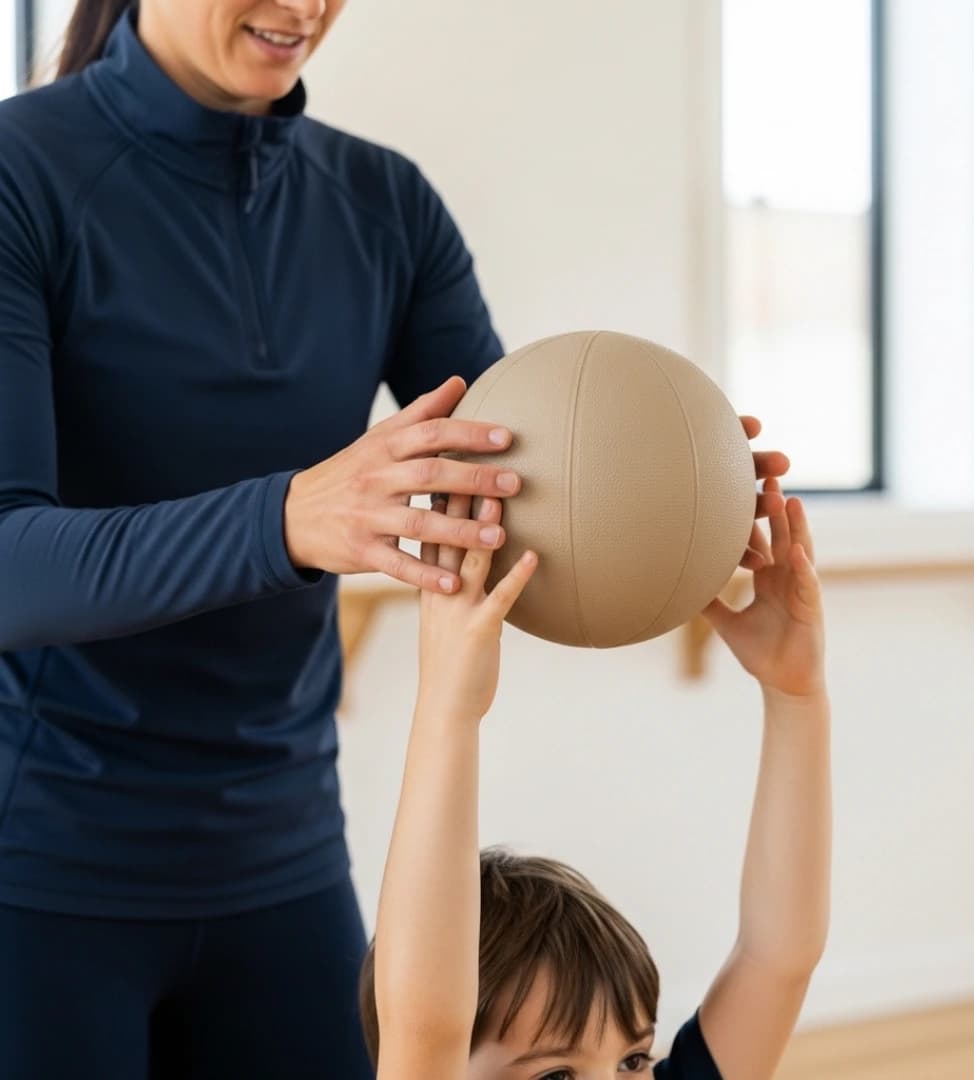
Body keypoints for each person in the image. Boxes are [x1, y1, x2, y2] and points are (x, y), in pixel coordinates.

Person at [0, 1, 790, 1076]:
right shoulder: (21, 172)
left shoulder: (383, 204)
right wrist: (288, 518)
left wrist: (673, 494)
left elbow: (511, 485)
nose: (304, 6)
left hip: (284, 857)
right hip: (42, 867)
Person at [362, 476, 831, 1079]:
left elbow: (778, 957)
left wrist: (796, 695)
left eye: (633, 1061)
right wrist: (447, 709)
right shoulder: (428, 1042)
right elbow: (424, 1020)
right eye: (557, 1077)